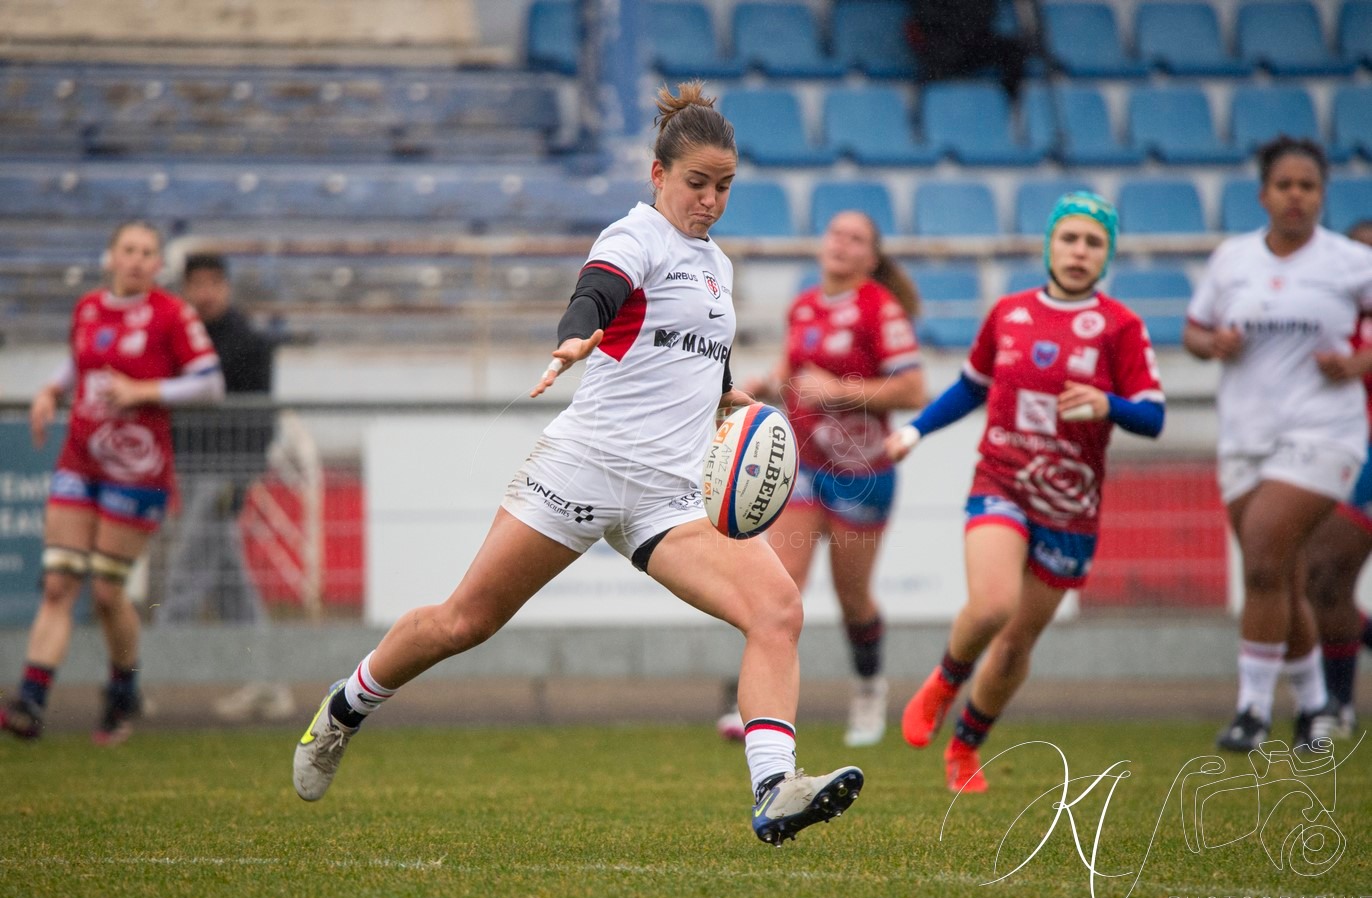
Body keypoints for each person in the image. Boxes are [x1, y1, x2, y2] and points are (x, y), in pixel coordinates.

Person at [290, 83, 864, 847]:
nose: (710, 200)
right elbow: (598, 290)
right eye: (697, 183)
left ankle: (773, 787)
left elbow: (703, 358)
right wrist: (576, 333)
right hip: (583, 470)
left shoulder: (716, 265)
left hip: (669, 498)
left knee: (777, 609)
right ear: (658, 175)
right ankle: (345, 708)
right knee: (466, 620)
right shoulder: (635, 234)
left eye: (724, 186)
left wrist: (734, 408)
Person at [888, 192, 1165, 792]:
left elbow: (1153, 415)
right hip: (1003, 479)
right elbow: (970, 388)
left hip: (1070, 504)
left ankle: (965, 747)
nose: (1079, 251)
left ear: (1106, 256)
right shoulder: (1009, 313)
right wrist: (914, 431)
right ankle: (941, 684)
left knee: (1016, 644)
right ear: (1049, 246)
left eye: (1093, 243)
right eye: (1069, 238)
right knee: (992, 606)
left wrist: (1107, 404)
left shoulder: (1121, 327)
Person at [0, 220, 224, 744]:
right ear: (110, 257)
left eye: (148, 252)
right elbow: (80, 363)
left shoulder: (172, 314)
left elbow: (210, 383)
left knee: (105, 591)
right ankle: (31, 699)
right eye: (129, 249)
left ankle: (123, 687)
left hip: (138, 471)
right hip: (80, 459)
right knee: (58, 582)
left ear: (157, 264)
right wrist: (50, 391)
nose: (138, 259)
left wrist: (146, 391)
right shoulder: (88, 309)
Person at [1184, 137, 1372, 754]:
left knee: (1263, 559)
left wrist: (1358, 364)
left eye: (1308, 185)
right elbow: (1193, 329)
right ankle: (1316, 708)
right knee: (1281, 579)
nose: (1296, 196)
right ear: (1263, 194)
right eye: (1285, 185)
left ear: (1322, 195)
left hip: (1325, 432)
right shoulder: (1231, 260)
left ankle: (1252, 713)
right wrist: (1212, 345)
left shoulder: (1350, 262)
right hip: (1246, 435)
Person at [724, 210, 928, 748]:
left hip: (863, 474)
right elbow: (793, 372)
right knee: (779, 585)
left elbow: (913, 391)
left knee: (853, 597)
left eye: (856, 237)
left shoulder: (879, 309)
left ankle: (868, 691)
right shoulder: (805, 304)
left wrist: (840, 391)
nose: (842, 243)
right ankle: (753, 705)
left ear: (871, 256)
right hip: (804, 466)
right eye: (836, 233)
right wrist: (765, 385)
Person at [159, 252, 294, 723]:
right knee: (228, 578)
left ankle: (140, 677)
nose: (205, 293)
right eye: (196, 284)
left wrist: (241, 478)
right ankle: (265, 680)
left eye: (213, 283)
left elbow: (262, 415)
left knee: (185, 570)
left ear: (226, 286)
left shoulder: (249, 342)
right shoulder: (181, 338)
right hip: (191, 469)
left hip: (224, 472)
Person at [1305, 218, 1372, 737]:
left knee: (1325, 576)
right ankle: (1339, 706)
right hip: (1350, 451)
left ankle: (1336, 705)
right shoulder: (1331, 315)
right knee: (1325, 578)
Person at [905, 0, 1028, 101]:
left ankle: (1009, 106)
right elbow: (925, 14)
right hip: (941, 45)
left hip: (972, 41)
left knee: (1014, 50)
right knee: (944, 53)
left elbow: (987, 13)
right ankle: (936, 103)